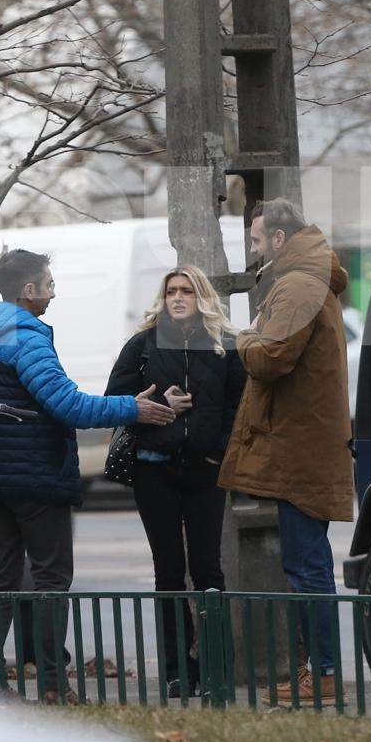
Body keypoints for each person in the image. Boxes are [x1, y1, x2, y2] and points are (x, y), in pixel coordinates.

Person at [0, 248, 176, 704]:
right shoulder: (28, 337)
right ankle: (55, 686)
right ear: (28, 290)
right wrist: (133, 409)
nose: (52, 294)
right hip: (37, 476)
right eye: (49, 285)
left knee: (0, 577)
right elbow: (68, 406)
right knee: (50, 579)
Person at [216, 199, 356, 704]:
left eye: (255, 241)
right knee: (307, 564)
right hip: (306, 441)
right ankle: (314, 670)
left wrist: (244, 337)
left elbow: (271, 357)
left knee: (307, 567)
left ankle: (321, 674)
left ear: (278, 239)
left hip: (301, 446)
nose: (252, 252)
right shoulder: (308, 277)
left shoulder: (297, 283)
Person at [105, 266, 246, 698]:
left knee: (207, 569)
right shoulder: (144, 343)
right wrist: (156, 401)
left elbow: (240, 406)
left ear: (201, 296)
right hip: (154, 466)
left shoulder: (224, 346)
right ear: (162, 298)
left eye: (187, 290)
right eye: (171, 291)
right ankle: (176, 670)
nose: (178, 298)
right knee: (167, 571)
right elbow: (114, 397)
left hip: (204, 468)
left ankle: (215, 669)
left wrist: (217, 446)